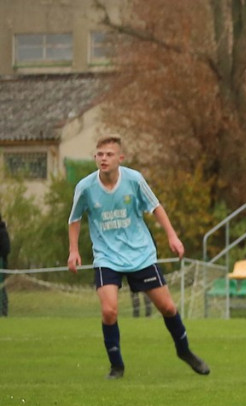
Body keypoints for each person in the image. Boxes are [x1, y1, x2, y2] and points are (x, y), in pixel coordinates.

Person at [67, 135, 209, 379]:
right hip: (106, 257)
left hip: (140, 254)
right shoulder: (86, 187)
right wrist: (74, 250)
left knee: (167, 307)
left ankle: (184, 351)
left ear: (120, 158)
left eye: (109, 154)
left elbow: (156, 207)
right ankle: (116, 366)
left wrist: (173, 237)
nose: (103, 158)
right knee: (109, 311)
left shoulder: (134, 180)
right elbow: (75, 219)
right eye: (100, 154)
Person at [0, 210, 10, 317]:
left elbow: (6, 249)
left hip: (1, 264)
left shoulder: (3, 232)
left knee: (1, 287)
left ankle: (3, 311)